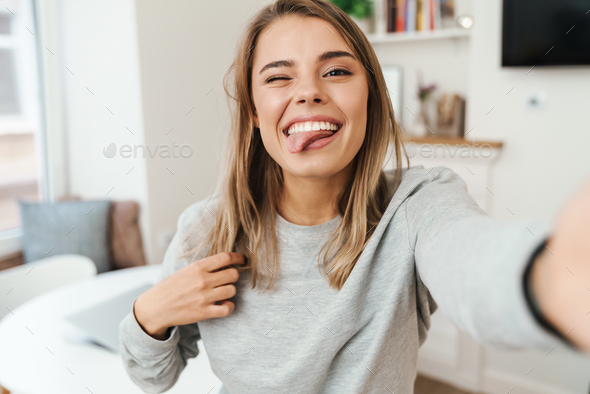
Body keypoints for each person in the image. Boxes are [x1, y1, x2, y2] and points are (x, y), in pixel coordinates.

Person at [118, 0, 590, 393]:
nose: (308, 93)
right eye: (279, 77)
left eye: (337, 71)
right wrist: (149, 313)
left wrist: (549, 277)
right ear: (255, 113)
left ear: (370, 96)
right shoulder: (205, 228)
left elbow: (469, 261)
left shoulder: (416, 204)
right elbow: (152, 376)